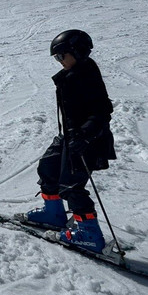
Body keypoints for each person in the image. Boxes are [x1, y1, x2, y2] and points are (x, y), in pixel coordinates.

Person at [21, 29, 117, 253]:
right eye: (57, 57)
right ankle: (54, 214)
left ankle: (90, 235)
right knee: (48, 167)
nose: (59, 61)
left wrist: (84, 135)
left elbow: (102, 112)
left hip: (88, 140)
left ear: (77, 52)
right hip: (71, 137)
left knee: (71, 186)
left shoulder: (87, 76)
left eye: (61, 56)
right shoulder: (75, 73)